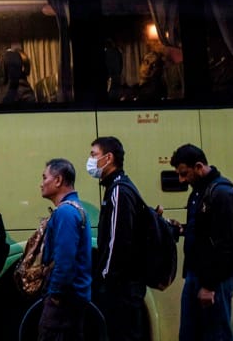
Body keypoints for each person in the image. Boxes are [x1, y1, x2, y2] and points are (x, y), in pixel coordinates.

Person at [168, 144, 233, 341]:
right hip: (196, 274)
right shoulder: (199, 193)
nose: (182, 179)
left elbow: (226, 244)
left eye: (184, 173)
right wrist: (181, 229)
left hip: (214, 279)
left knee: (216, 333)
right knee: (191, 333)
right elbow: (202, 230)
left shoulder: (221, 193)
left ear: (199, 166)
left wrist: (209, 285)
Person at [87, 136, 146, 341]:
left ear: (108, 158)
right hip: (125, 286)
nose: (90, 160)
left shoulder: (118, 191)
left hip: (121, 288)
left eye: (93, 155)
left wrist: (104, 277)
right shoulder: (118, 187)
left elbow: (117, 242)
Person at [38, 158, 93, 341]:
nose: (41, 184)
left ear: (58, 180)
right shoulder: (76, 208)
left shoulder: (65, 213)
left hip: (65, 301)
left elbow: (65, 261)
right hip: (74, 298)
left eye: (45, 177)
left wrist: (55, 295)